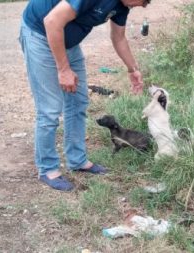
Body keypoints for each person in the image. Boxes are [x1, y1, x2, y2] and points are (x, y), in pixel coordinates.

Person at [19, 0, 149, 191]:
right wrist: (63, 69)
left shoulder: (122, 5)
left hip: (68, 42)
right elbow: (52, 21)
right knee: (50, 109)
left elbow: (119, 37)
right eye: (142, 1)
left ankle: (77, 160)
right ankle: (47, 168)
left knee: (78, 102)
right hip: (41, 34)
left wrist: (132, 69)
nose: (139, 6)